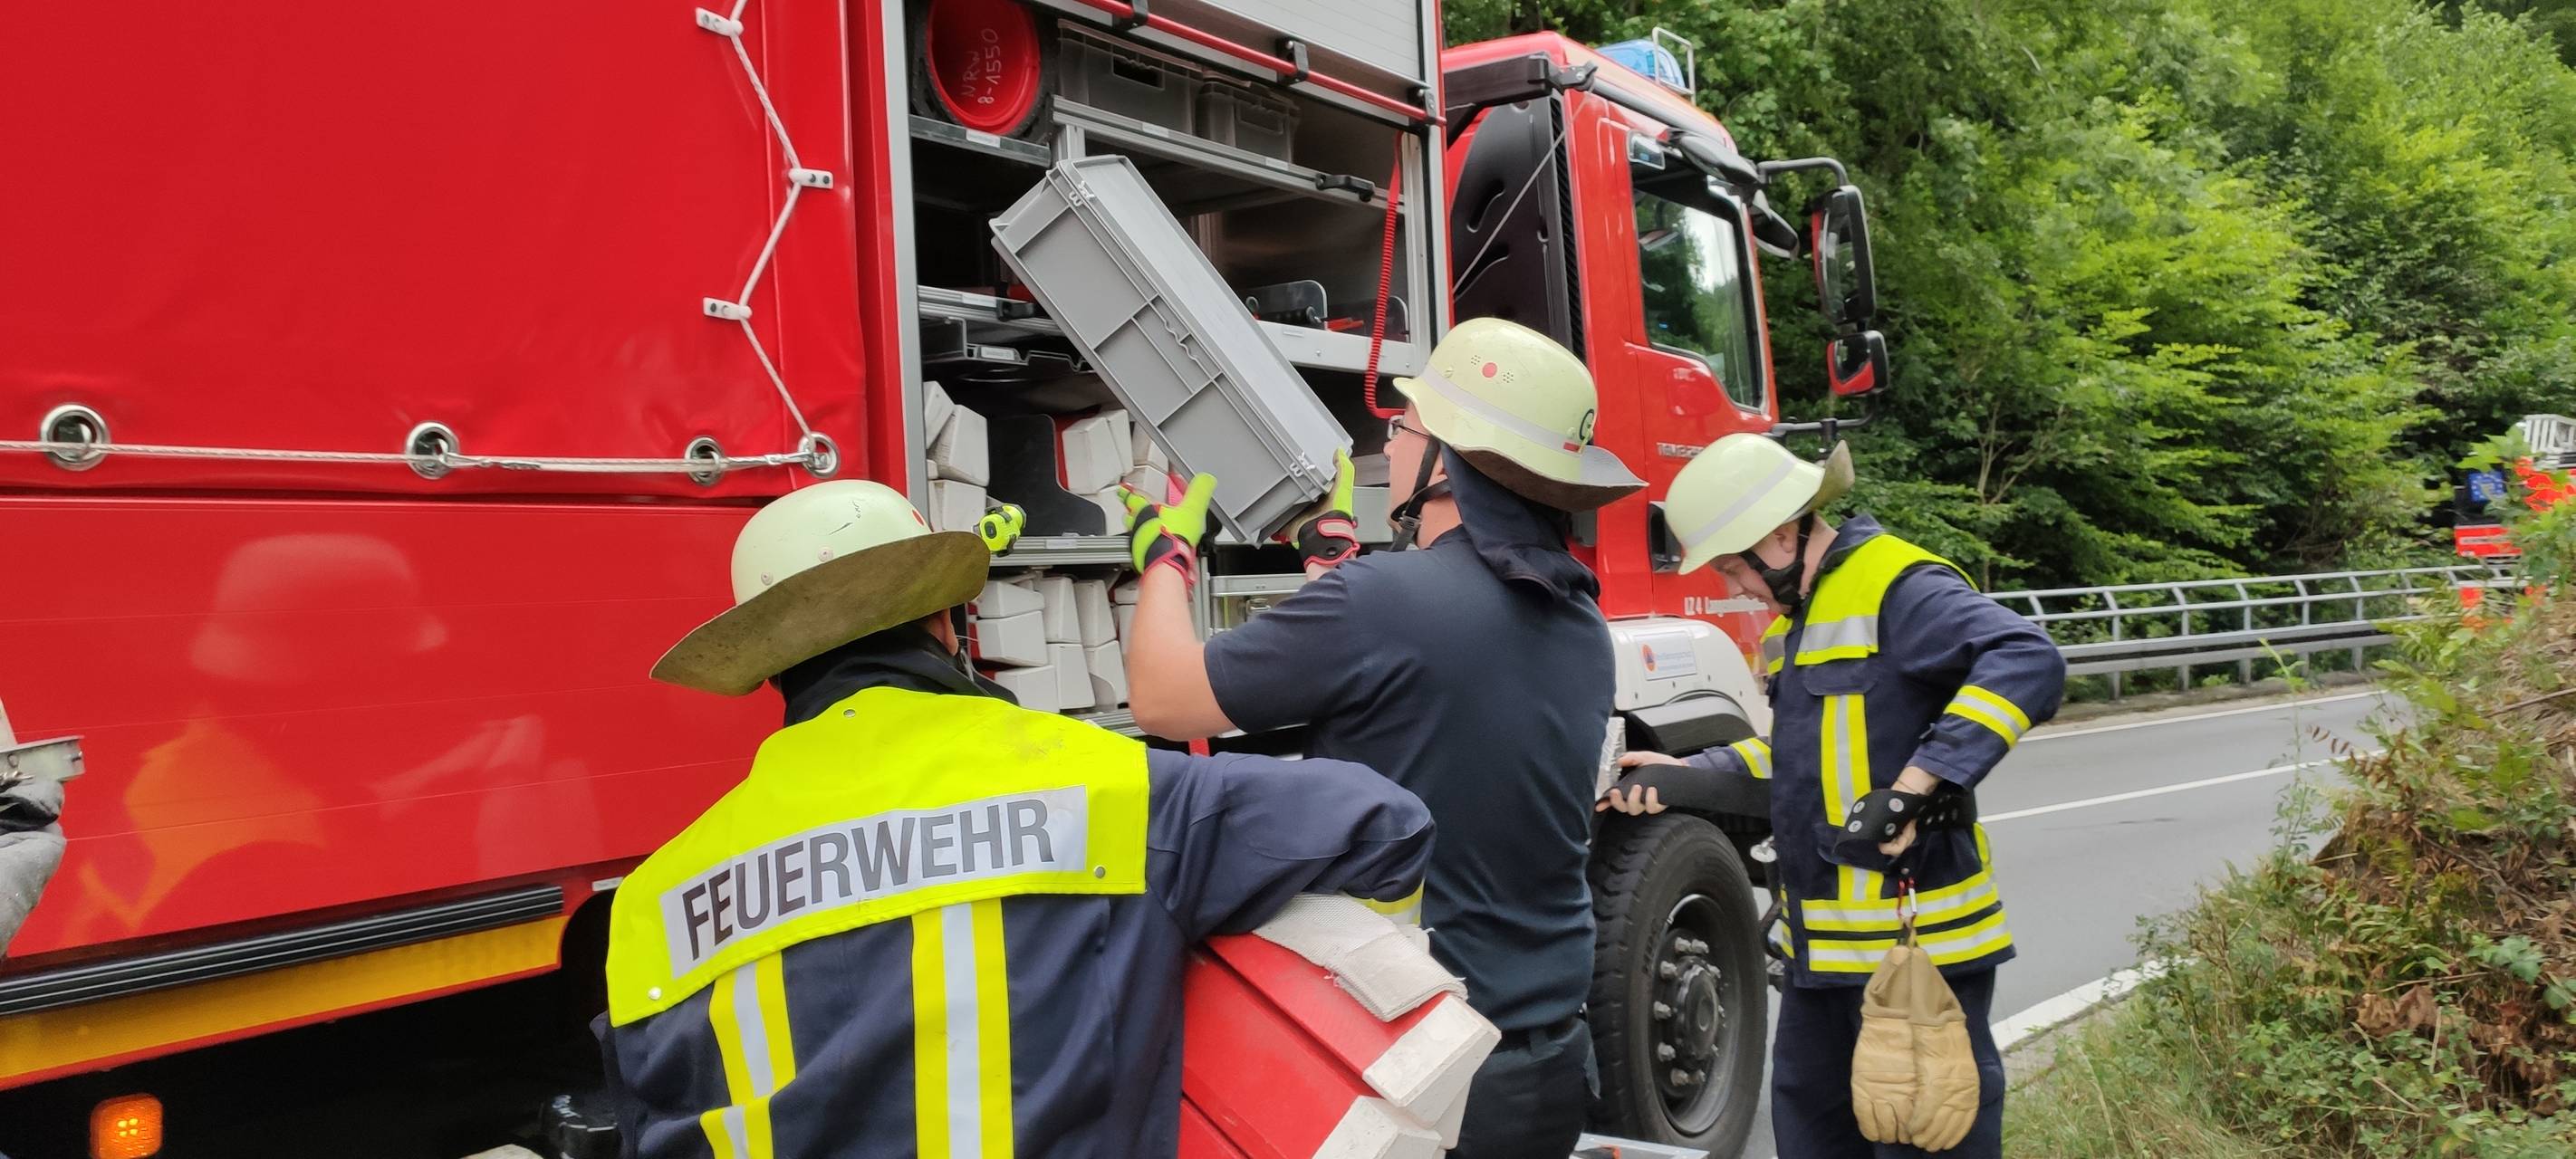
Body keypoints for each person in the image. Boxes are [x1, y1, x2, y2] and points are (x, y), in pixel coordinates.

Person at [596, 480, 1434, 1158]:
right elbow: (1385, 823)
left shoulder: (650, 906)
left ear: (774, 670)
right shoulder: (1113, 795)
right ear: (948, 624)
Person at [1119, 317, 1646, 1159]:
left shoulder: (1385, 602)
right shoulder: (1577, 616)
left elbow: (1161, 698)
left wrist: (1165, 560)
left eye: (1402, 429)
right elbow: (1431, 684)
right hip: (1545, 1060)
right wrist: (1343, 568)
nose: (1389, 446)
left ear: (1450, 463)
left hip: (1428, 1080)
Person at [1601, 433, 2066, 1158]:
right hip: (1822, 954)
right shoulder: (1791, 634)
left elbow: (2027, 658)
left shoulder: (1898, 584)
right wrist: (1681, 772)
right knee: (1815, 1138)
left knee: (1925, 1140)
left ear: (1782, 534)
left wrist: (1918, 786)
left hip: (1917, 953)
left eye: (1732, 565)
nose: (1731, 587)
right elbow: (1793, 758)